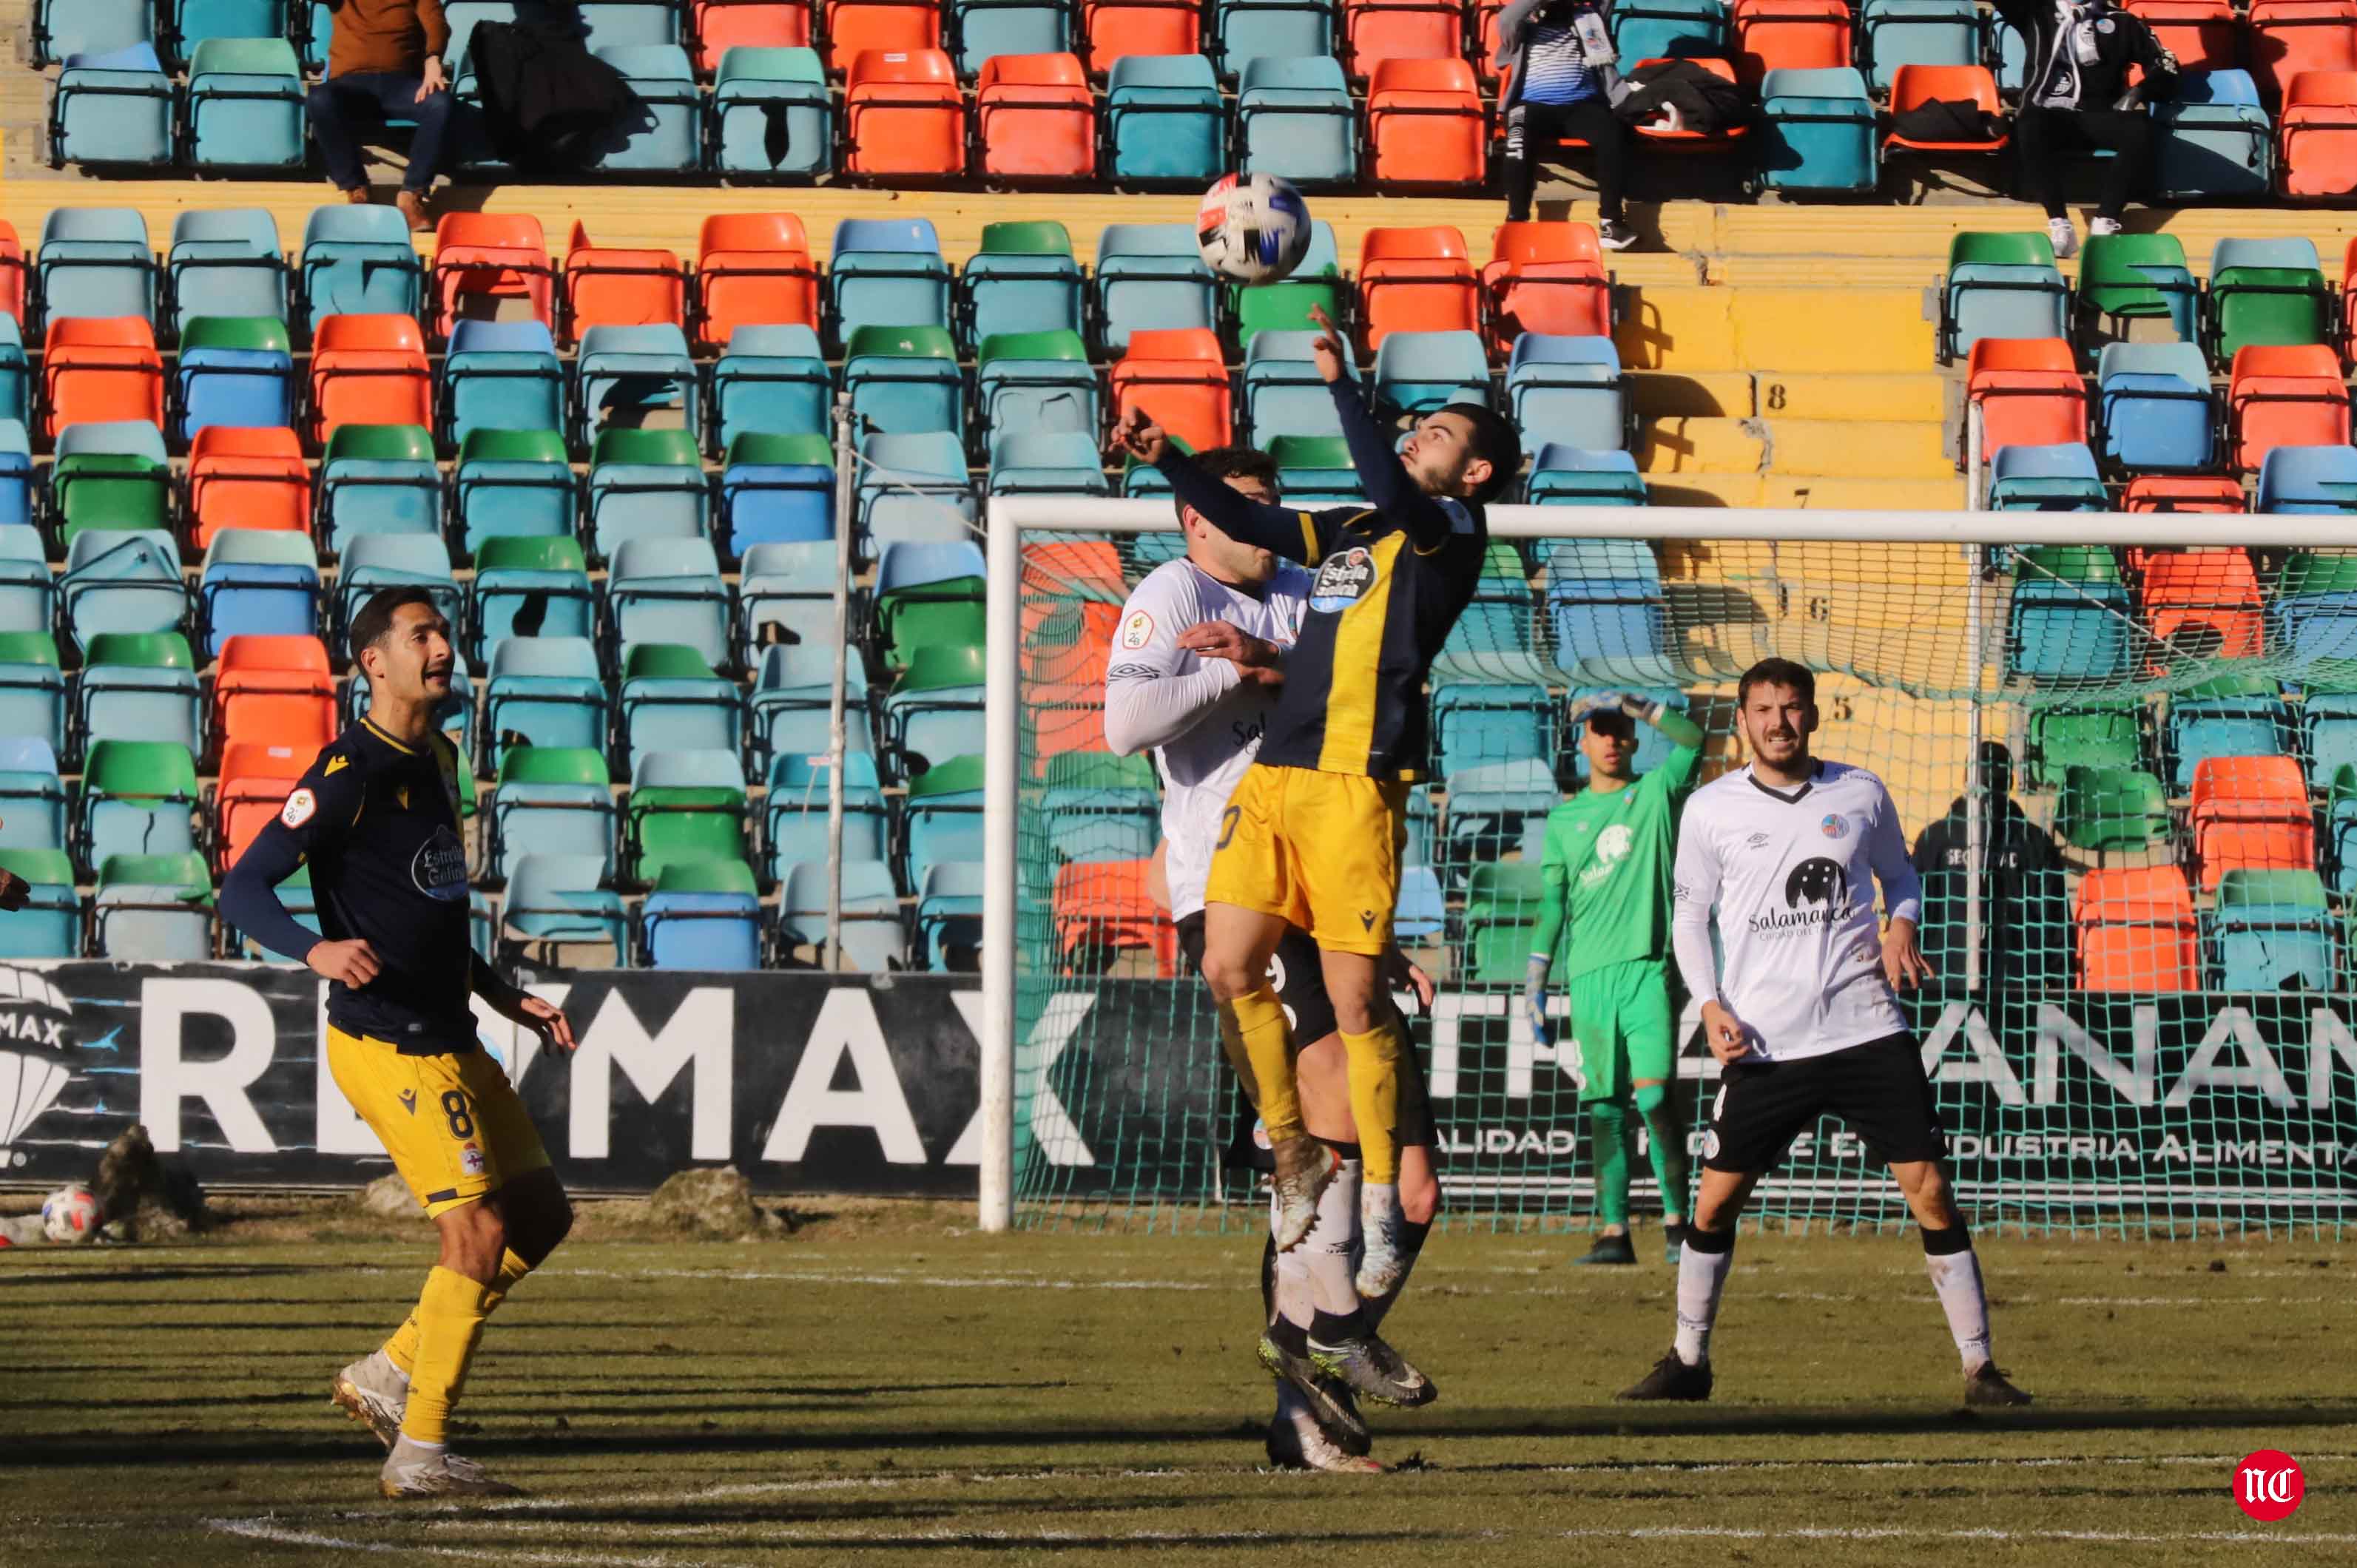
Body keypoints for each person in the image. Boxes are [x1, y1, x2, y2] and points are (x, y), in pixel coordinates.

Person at [1110, 305, 1520, 1301]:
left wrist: (1345, 389)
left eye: (1443, 433)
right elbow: (1251, 523)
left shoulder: (1448, 530)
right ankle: (1289, 1151)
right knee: (1223, 963)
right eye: (1417, 424)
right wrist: (1169, 458)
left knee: (1349, 1005)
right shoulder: (1344, 531)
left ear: (1473, 472)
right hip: (1279, 784)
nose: (1421, 435)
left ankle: (1375, 1213)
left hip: (1351, 786)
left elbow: (1390, 486)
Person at [1105, 446, 1441, 1474]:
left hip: (1330, 878)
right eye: (1237, 512)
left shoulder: (1316, 586)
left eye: (1268, 510)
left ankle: (1309, 1358)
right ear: (1191, 521)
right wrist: (1228, 667)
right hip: (1241, 884)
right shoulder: (1173, 588)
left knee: (1414, 1187)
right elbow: (1124, 723)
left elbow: (1370, 703)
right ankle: (1312, 1398)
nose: (1258, 529)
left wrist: (1268, 662)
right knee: (1324, 1141)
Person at [218, 587, 578, 1497]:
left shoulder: (444, 756)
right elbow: (244, 886)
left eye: (445, 632)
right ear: (374, 660)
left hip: (451, 1029)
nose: (443, 647)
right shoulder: (348, 771)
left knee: (540, 1218)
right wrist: (316, 947)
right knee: (476, 1231)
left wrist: (503, 993)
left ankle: (388, 1373)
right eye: (422, 634)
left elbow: (433, 904)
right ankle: (420, 1451)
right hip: (389, 1044)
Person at [1618, 658, 2032, 1408]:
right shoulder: (1710, 809)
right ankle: (1688, 1359)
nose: (1779, 722)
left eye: (1792, 708)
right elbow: (1687, 918)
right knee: (1712, 1207)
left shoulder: (1861, 792)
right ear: (1743, 719)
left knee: (1931, 1190)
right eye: (1764, 709)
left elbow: (1901, 877)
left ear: (1813, 715)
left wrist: (1900, 924)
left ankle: (1981, 1370)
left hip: (1865, 1029)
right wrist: (1710, 1005)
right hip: (1766, 1043)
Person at [1525, 692, 1705, 1267]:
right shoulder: (1563, 820)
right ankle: (1613, 1234)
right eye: (1599, 731)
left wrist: (1636, 704)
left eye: (1618, 731)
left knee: (1653, 1098)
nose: (1609, 740)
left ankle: (1680, 1223)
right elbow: (1553, 905)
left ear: (1631, 741)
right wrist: (1536, 978)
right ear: (1583, 741)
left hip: (1649, 968)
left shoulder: (1654, 794)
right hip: (1590, 977)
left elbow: (1695, 741)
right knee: (1604, 1107)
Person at [1993, 0, 2179, 260]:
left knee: (2140, 128)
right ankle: (2060, 226)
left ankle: (2106, 221)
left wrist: (2141, 91)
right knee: (2029, 123)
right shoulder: (2035, 11)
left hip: (2100, 114)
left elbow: (2167, 63)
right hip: (2051, 114)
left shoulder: (2121, 21)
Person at [1910, 742, 2069, 993]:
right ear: (2010, 782)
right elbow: (2056, 924)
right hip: (2018, 994)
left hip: (1943, 988)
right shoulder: (2035, 843)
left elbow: (1912, 913)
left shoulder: (1934, 840)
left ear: (1965, 779)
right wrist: (2062, 983)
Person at [1494, 0, 1639, 251]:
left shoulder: (1590, 21)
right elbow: (1507, 18)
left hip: (1581, 105)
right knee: (1516, 142)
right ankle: (1517, 220)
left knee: (1612, 136)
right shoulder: (1523, 29)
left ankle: (1612, 222)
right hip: (1532, 105)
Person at [307, 0, 457, 232]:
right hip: (351, 84)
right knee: (319, 99)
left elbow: (436, 20)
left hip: (402, 84)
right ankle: (356, 188)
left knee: (440, 103)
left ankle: (412, 195)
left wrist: (433, 58)